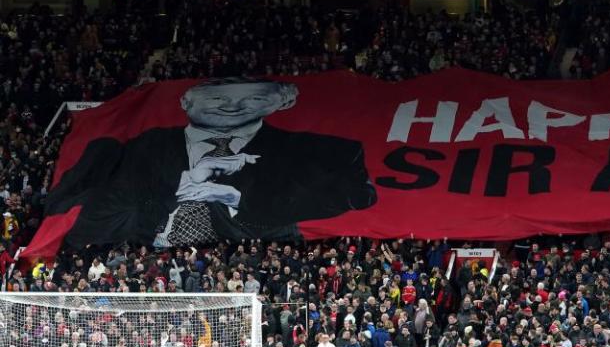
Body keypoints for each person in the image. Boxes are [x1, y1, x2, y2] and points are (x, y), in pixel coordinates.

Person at [47, 77, 378, 248]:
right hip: (145, 265)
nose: (232, 107)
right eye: (216, 98)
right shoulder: (131, 146)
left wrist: (232, 197)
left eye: (255, 97)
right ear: (185, 101)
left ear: (283, 102)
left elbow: (358, 197)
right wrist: (181, 186)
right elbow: (73, 214)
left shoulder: (324, 152)